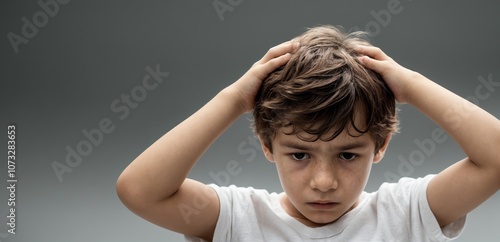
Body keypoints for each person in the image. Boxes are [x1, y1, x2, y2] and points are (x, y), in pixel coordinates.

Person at [116, 25, 500, 241]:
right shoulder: (237, 219)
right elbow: (139, 191)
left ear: (380, 145)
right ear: (267, 145)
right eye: (300, 154)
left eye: (347, 155)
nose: (323, 182)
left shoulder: (405, 214)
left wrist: (411, 85)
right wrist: (233, 99)